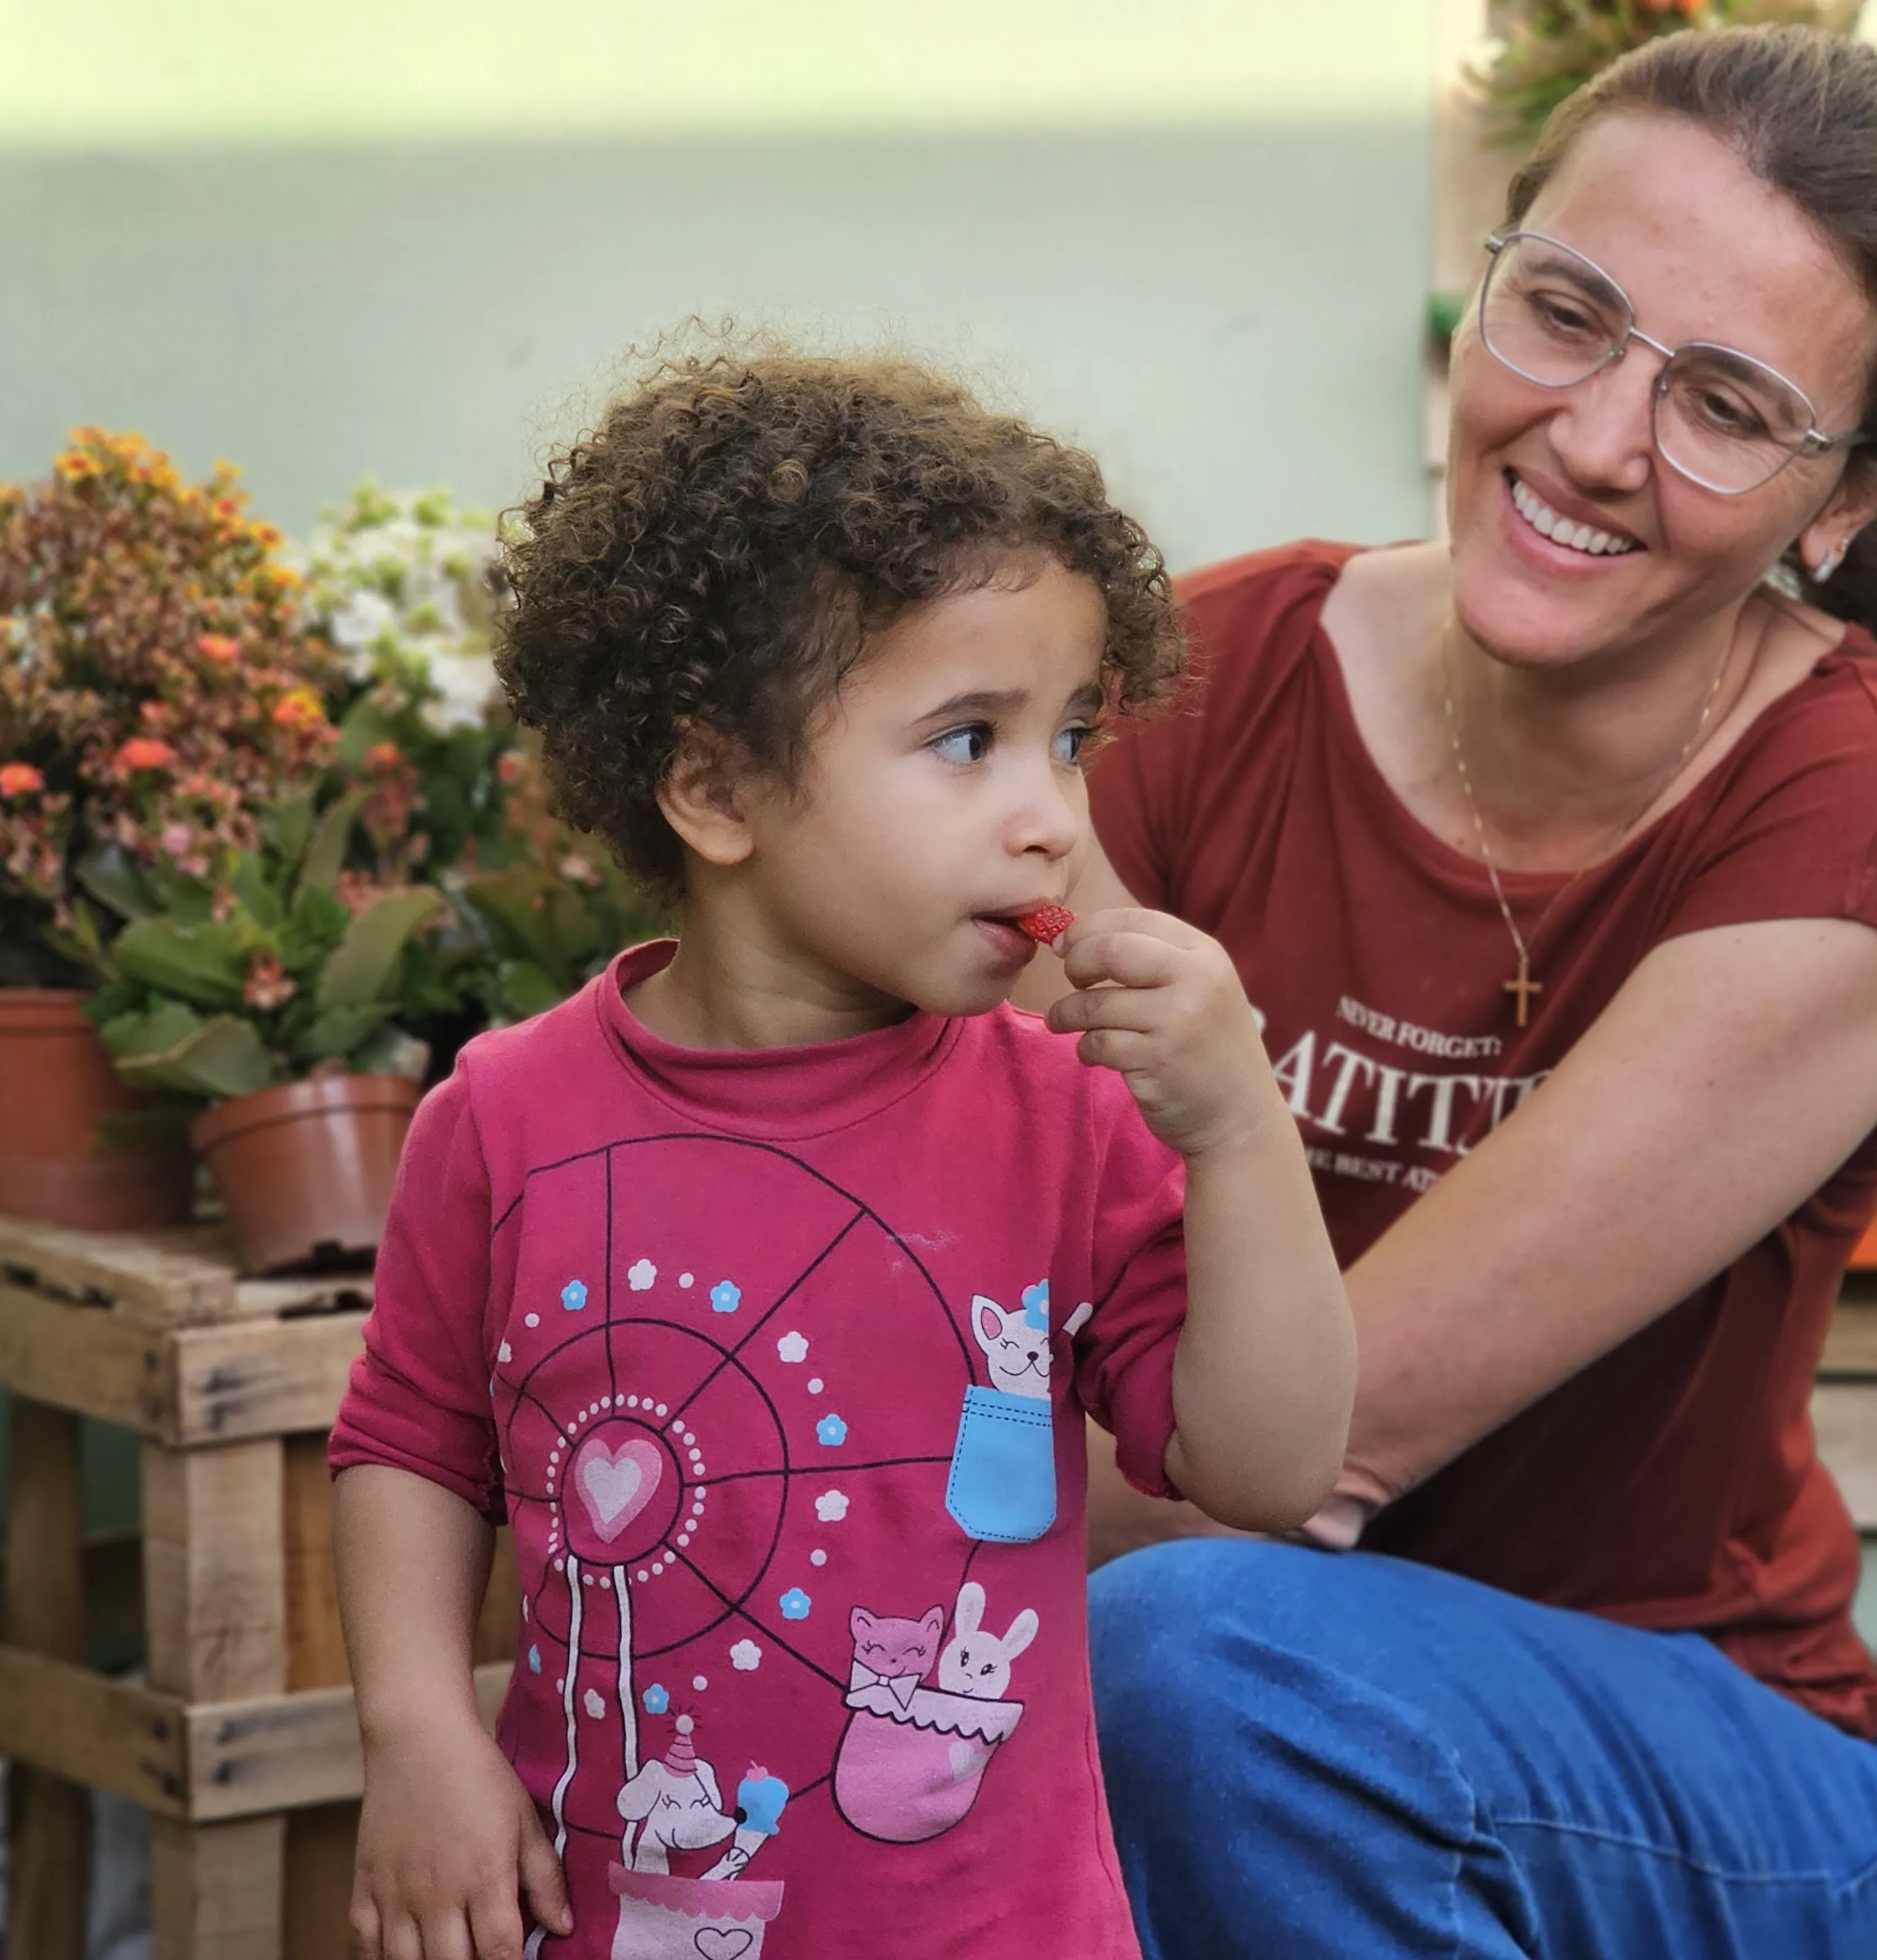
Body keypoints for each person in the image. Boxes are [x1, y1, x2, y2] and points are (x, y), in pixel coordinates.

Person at [1054, 27, 1877, 1960]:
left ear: (1837, 504)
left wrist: (756, 1579)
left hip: (1687, 1746)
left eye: (1726, 404)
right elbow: (951, 1217)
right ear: (1486, 293)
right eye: (1568, 315)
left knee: (1195, 1656)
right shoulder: (1211, 674)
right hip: (1211, 1694)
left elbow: (1303, 1454)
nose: (1597, 441)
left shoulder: (1859, 800)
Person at [326, 351, 1354, 1960]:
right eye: (968, 738)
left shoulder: (1069, 1121)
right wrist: (414, 1730)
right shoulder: (504, 1121)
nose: (1054, 817)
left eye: (1070, 738)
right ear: (713, 787)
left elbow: (1271, 1467)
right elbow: (412, 1436)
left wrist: (1238, 1131)